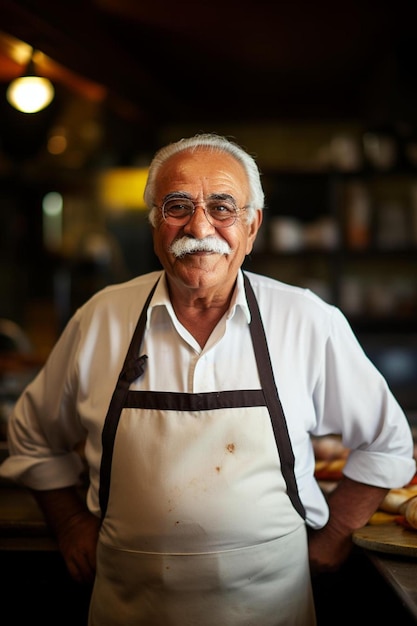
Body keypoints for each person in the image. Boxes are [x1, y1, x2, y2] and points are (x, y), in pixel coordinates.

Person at [0, 133, 415, 626]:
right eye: (177, 206)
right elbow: (31, 436)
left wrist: (336, 533)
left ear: (253, 225)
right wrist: (68, 522)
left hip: (272, 605)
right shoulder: (101, 318)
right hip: (127, 603)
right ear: (154, 222)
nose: (199, 226)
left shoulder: (304, 318)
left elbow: (388, 443)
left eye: (223, 207)